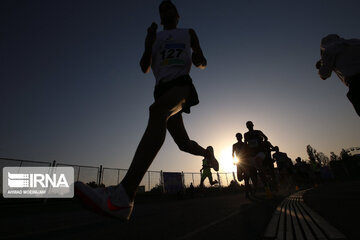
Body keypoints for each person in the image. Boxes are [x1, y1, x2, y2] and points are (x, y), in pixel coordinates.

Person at [75, 0, 218, 220]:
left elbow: (202, 61)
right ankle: (207, 153)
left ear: (177, 15)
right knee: (183, 144)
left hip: (182, 86)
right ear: (160, 18)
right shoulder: (156, 37)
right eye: (162, 10)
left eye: (170, 8)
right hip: (162, 91)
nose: (166, 12)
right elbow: (144, 67)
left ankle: (124, 194)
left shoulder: (188, 32)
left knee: (156, 112)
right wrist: (149, 41)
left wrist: (200, 59)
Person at [316, 34, 360, 117]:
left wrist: (321, 66)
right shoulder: (355, 41)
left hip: (356, 83)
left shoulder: (329, 51)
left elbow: (324, 74)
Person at [243, 121, 269, 193]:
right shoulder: (246, 134)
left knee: (258, 162)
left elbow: (266, 138)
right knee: (253, 172)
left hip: (260, 152)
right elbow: (245, 144)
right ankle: (256, 187)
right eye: (248, 125)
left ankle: (266, 181)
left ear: (253, 125)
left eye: (250, 125)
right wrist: (245, 153)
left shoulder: (258, 132)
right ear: (247, 127)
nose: (249, 126)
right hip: (251, 155)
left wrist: (262, 143)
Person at [232, 132, 255, 198]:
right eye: (237, 137)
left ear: (241, 137)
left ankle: (247, 193)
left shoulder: (245, 144)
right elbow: (233, 154)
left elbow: (248, 152)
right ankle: (249, 188)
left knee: (246, 179)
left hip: (245, 162)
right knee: (239, 178)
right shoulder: (234, 145)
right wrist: (234, 160)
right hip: (239, 163)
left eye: (239, 136)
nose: (238, 138)